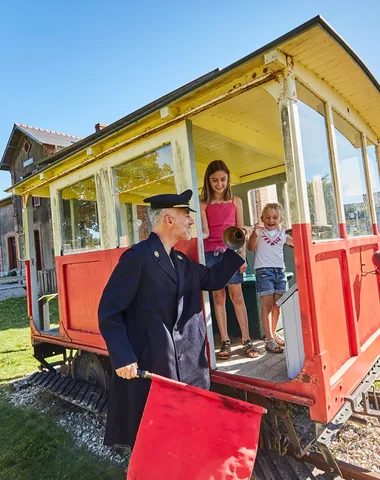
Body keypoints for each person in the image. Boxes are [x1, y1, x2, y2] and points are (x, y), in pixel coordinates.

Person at [98, 189, 244, 449]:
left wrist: (235, 247)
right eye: (186, 215)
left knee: (188, 436)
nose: (190, 221)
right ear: (168, 220)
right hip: (155, 366)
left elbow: (213, 279)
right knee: (156, 440)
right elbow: (109, 311)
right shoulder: (137, 258)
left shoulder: (181, 260)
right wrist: (123, 356)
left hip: (190, 367)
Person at [200, 160, 259, 360]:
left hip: (232, 253)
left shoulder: (236, 201)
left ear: (228, 179)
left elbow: (241, 231)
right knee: (219, 298)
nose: (219, 184)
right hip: (211, 255)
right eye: (215, 180)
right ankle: (225, 341)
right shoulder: (203, 204)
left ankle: (246, 339)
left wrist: (242, 257)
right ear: (208, 181)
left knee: (238, 297)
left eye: (223, 179)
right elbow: (205, 233)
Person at [247, 202, 293, 353]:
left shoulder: (283, 235)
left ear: (280, 219)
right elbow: (251, 247)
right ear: (262, 218)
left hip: (280, 272)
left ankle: (273, 334)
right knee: (266, 306)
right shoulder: (259, 233)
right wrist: (254, 233)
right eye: (267, 217)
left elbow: (298, 244)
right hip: (264, 271)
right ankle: (268, 339)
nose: (271, 220)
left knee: (277, 305)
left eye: (274, 217)